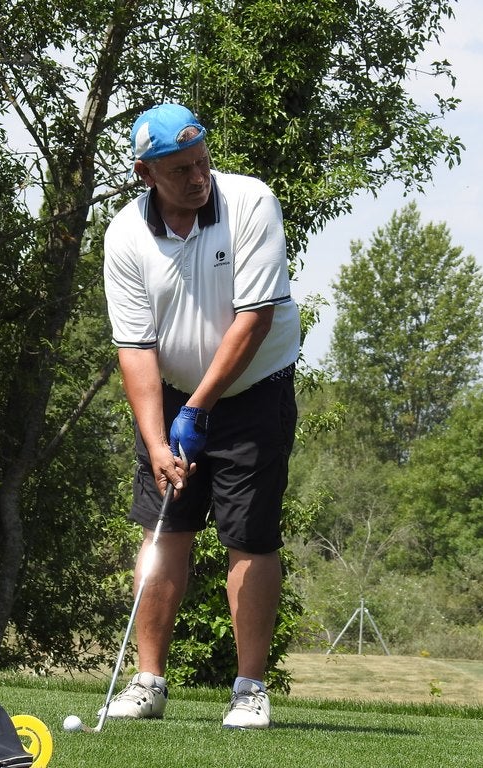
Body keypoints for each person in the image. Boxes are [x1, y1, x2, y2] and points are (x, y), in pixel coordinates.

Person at [102, 103, 300, 729]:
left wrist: (200, 406)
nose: (199, 177)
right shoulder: (125, 236)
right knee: (164, 531)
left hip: (253, 394)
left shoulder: (250, 203)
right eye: (182, 168)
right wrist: (157, 442)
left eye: (203, 161)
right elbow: (134, 347)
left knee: (249, 536)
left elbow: (255, 318)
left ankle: (248, 689)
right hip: (173, 399)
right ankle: (148, 681)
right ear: (145, 174)